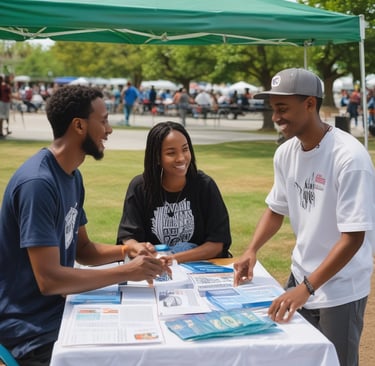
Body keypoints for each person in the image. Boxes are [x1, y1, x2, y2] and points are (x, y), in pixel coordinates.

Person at [0, 85, 166, 365]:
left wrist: (128, 250)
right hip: (31, 331)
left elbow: (83, 250)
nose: (109, 129)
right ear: (79, 125)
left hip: (60, 311)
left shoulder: (72, 176)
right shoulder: (38, 184)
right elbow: (49, 280)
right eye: (103, 120)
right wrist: (127, 271)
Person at [233, 68, 375, 366]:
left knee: (336, 361)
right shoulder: (286, 153)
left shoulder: (350, 158)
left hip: (340, 287)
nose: (276, 117)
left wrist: (307, 288)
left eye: (283, 108)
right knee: (293, 357)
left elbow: (353, 238)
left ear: (310, 103)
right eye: (273, 109)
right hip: (301, 276)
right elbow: (276, 209)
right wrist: (252, 250)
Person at [117, 121, 232, 263]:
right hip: (152, 270)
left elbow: (217, 244)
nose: (181, 158)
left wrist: (172, 259)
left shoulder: (205, 185)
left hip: (198, 270)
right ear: (157, 157)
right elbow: (128, 238)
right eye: (171, 153)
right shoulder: (140, 187)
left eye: (185, 149)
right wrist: (138, 248)